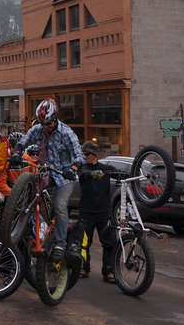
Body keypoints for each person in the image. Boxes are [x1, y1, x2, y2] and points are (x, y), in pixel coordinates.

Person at [15, 98, 84, 262]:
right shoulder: (38, 129)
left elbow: (79, 155)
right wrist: (17, 153)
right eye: (42, 124)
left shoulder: (67, 133)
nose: (45, 127)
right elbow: (24, 141)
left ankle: (60, 243)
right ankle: (32, 235)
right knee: (35, 204)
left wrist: (73, 168)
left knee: (60, 206)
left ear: (55, 119)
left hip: (63, 178)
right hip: (45, 176)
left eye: (48, 124)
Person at [74, 141, 117, 282]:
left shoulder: (105, 168)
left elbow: (117, 173)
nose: (83, 157)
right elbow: (84, 174)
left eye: (85, 154)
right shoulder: (82, 168)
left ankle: (109, 271)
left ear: (92, 155)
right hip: (86, 211)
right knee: (84, 243)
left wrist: (125, 175)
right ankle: (83, 268)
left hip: (104, 211)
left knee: (109, 242)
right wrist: (94, 174)